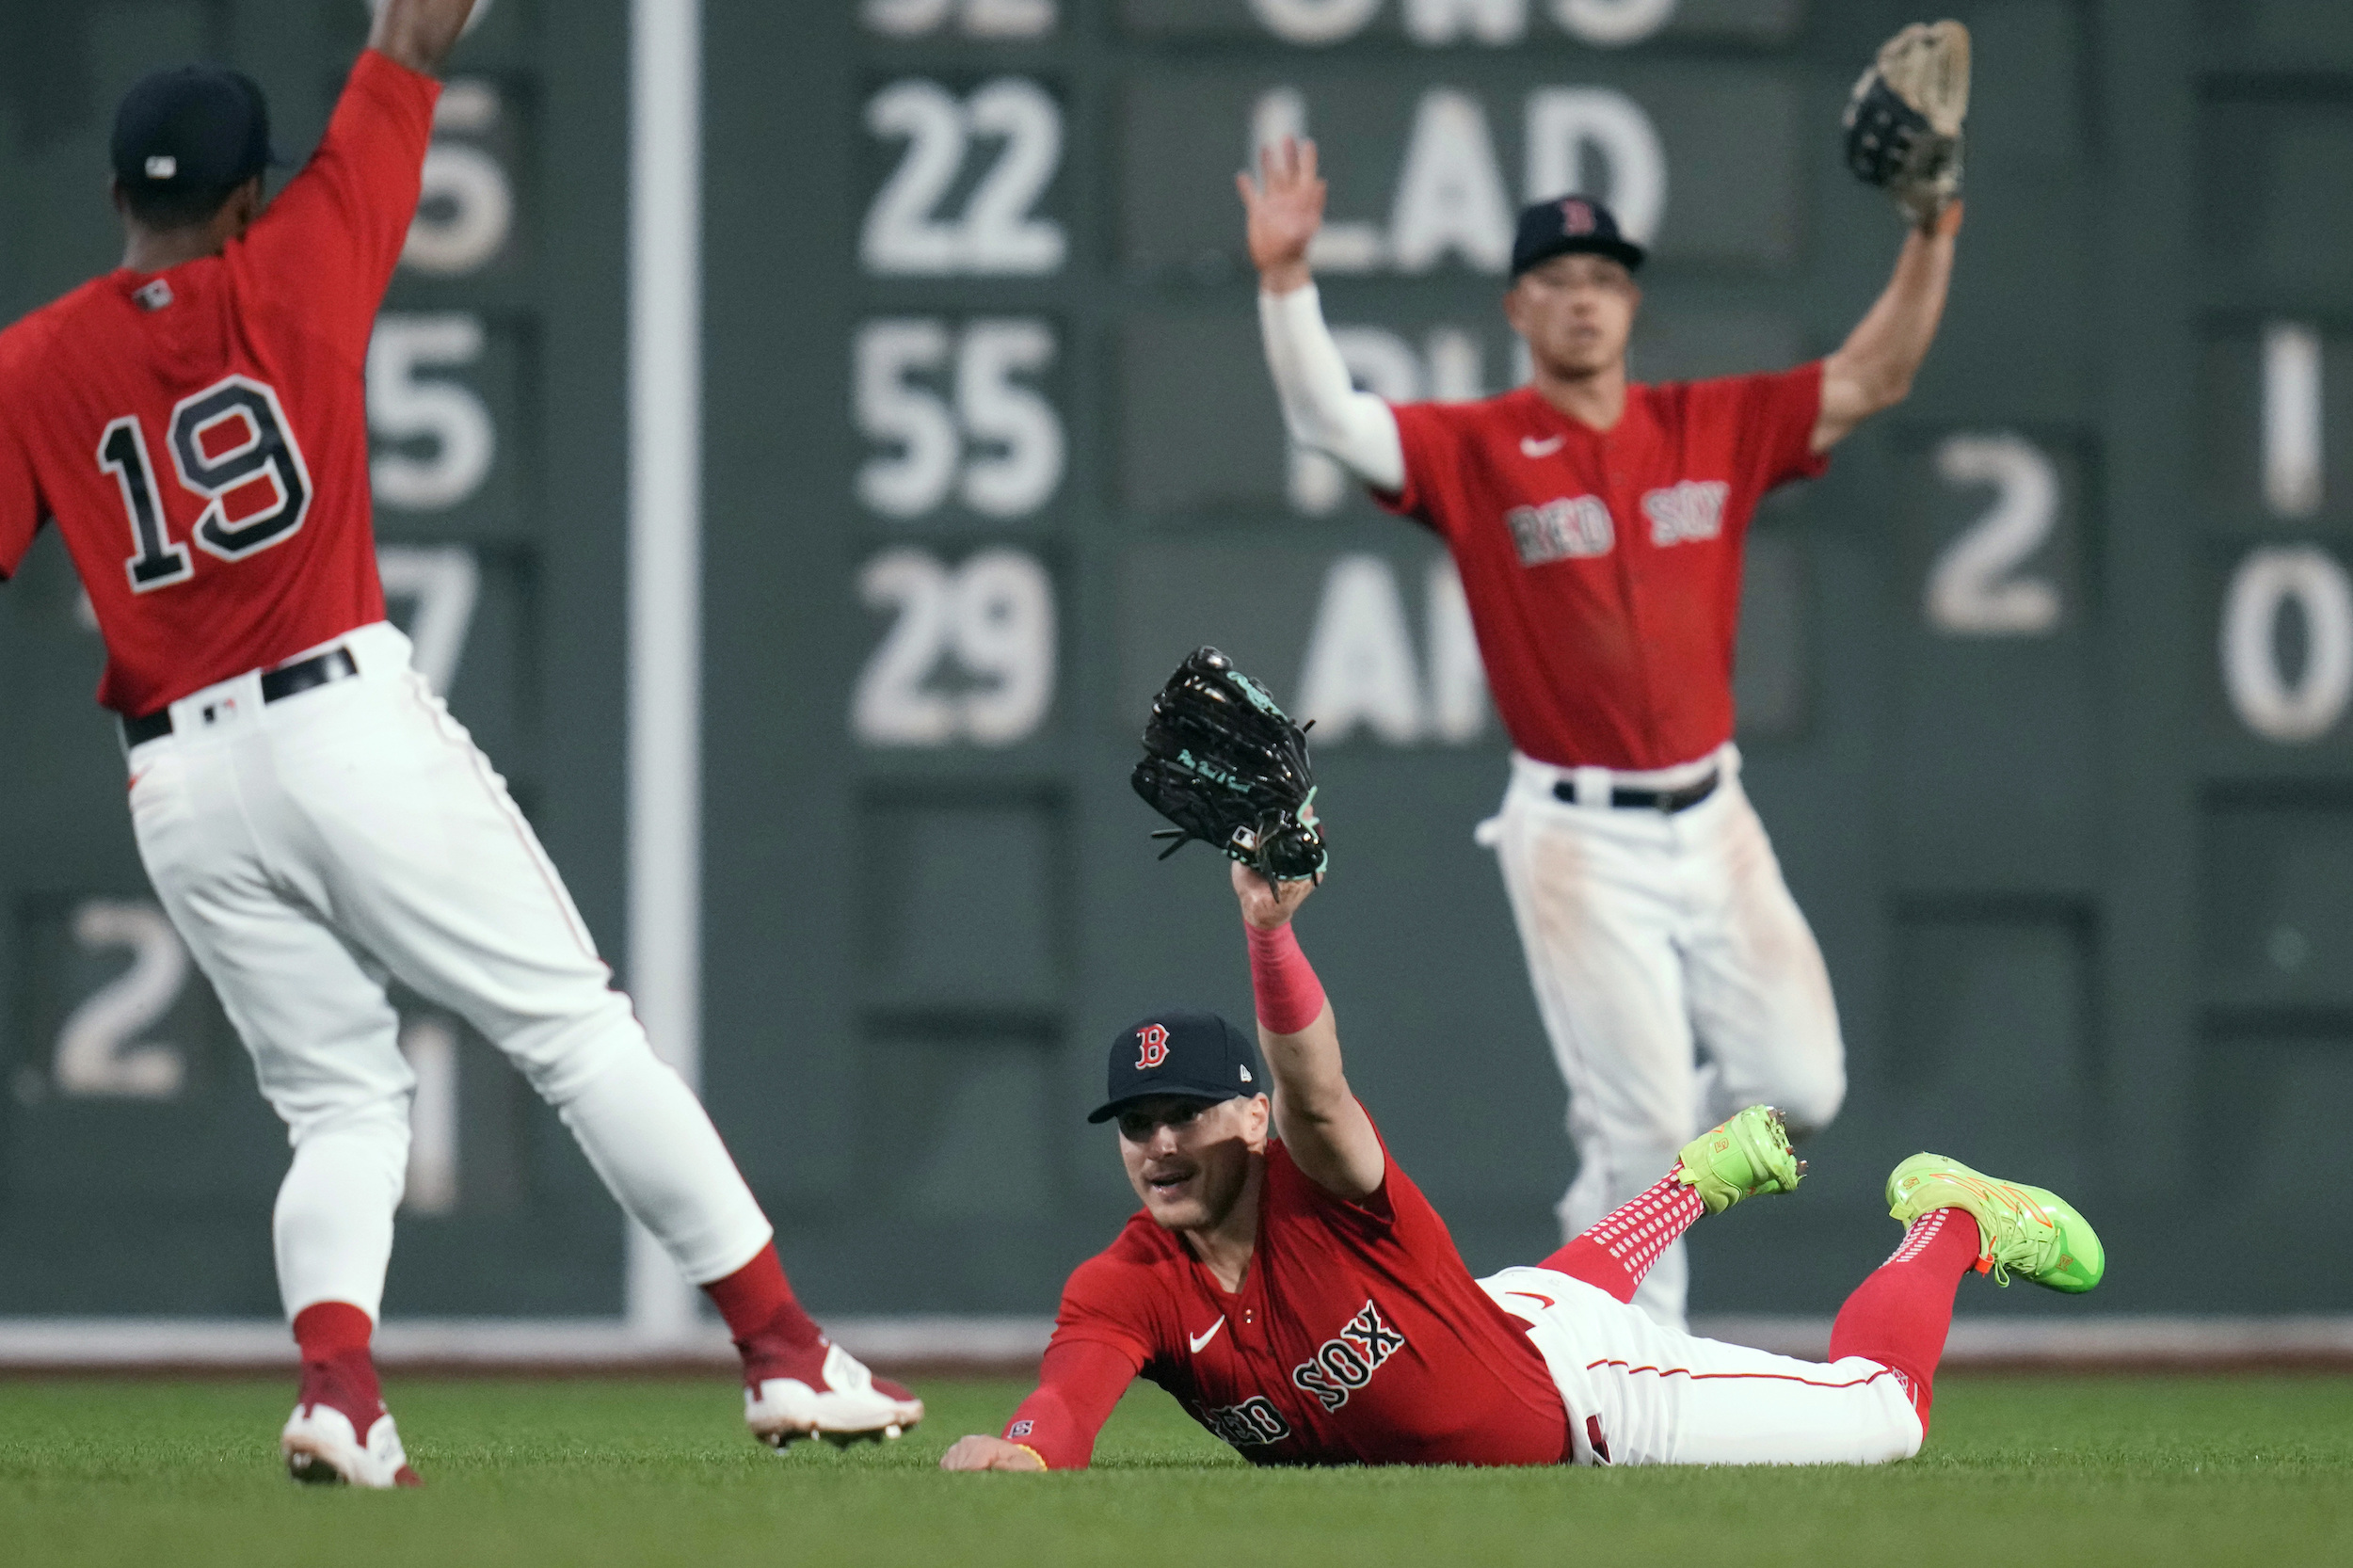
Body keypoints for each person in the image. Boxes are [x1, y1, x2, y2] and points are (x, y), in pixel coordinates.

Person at [0, 0, 918, 1487]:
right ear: (246, 197)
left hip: (174, 782)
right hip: (338, 719)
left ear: (117, 193)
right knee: (573, 1028)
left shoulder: (27, 365)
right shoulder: (293, 266)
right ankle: (785, 1351)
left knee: (340, 1098)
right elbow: (413, 44)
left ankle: (340, 1390)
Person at [1236, 139, 1965, 1329]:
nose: (1583, 295)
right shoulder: (1478, 449)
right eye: (1558, 276)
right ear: (1518, 304)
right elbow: (1327, 416)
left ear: (1630, 301)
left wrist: (1932, 227)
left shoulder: (1710, 426)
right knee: (1640, 1128)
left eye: (1605, 276)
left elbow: (1872, 376)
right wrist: (1286, 282)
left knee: (1802, 1091)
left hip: (1712, 815)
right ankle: (1632, 1361)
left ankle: (1620, 1185)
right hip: (1578, 833)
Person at [940, 859, 2101, 1471]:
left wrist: (1268, 931)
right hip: (1501, 1314)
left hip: (1592, 1398)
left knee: (1882, 1419)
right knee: (1527, 1296)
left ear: (1247, 1123)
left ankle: (1950, 1219)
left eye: (1183, 1113)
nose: (1154, 1144)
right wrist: (1025, 1452)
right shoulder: (1129, 1279)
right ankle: (1698, 1177)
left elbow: (1314, 1085)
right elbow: (1066, 1403)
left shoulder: (1320, 1181)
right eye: (1133, 1122)